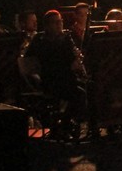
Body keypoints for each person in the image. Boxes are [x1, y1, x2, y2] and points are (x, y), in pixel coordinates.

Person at [25, 10, 87, 140]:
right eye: (56, 22)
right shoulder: (40, 40)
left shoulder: (65, 38)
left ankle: (67, 124)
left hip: (66, 77)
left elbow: (71, 60)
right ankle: (63, 125)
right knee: (79, 94)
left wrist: (77, 59)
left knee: (89, 87)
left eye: (61, 21)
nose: (60, 25)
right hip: (49, 80)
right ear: (47, 26)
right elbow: (30, 61)